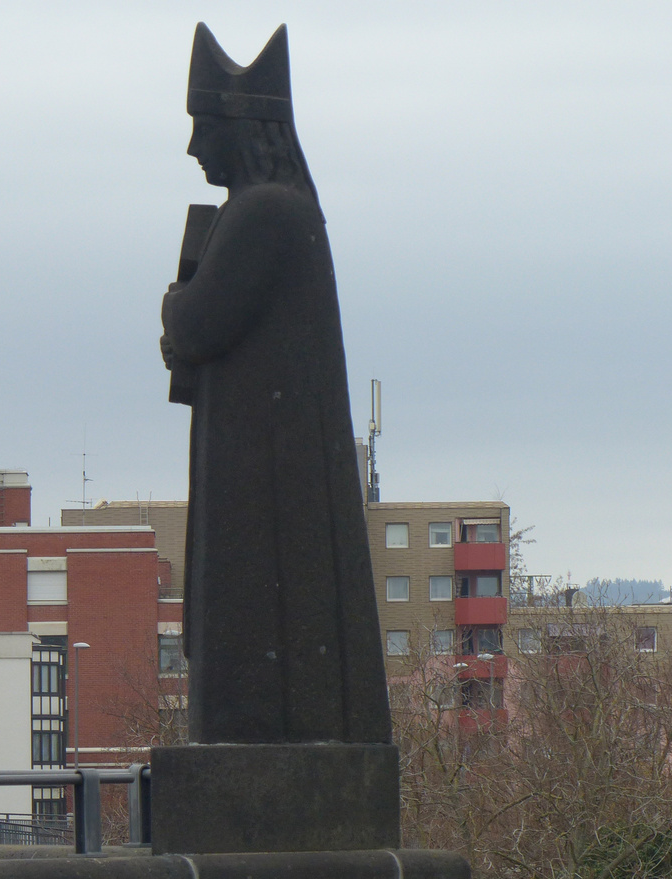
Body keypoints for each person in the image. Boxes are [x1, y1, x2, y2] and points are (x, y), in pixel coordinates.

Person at [158, 24, 389, 745]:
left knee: (253, 615)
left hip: (262, 470)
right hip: (260, 455)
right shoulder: (273, 212)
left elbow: (196, 327)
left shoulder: (265, 213)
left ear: (245, 128)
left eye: (205, 127)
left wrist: (175, 299)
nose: (195, 147)